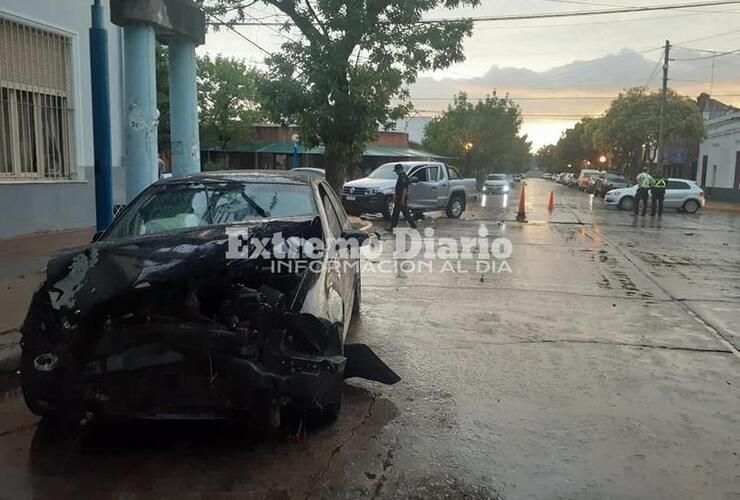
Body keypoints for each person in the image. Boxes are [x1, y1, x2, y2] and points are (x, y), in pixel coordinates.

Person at [387, 164, 417, 230]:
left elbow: (404, 189)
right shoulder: (401, 176)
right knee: (401, 212)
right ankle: (413, 224)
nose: (396, 173)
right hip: (399, 197)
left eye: (396, 171)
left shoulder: (403, 177)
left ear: (399, 170)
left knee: (397, 212)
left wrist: (403, 199)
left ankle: (393, 226)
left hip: (401, 197)